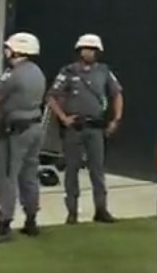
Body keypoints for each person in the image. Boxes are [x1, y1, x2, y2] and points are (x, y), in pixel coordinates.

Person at [48, 33, 124, 224]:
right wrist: (63, 118)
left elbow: (117, 94)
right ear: (79, 50)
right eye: (85, 48)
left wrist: (116, 119)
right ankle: (72, 211)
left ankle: (101, 209)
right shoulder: (68, 71)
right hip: (75, 127)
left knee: (97, 170)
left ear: (97, 52)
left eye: (92, 49)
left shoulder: (104, 72)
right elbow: (52, 96)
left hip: (96, 127)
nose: (88, 52)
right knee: (71, 170)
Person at [0, 32, 46, 241]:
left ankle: (4, 223)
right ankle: (31, 219)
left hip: (14, 131)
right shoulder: (37, 72)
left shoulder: (12, 74)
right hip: (35, 128)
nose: (6, 51)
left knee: (7, 176)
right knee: (29, 175)